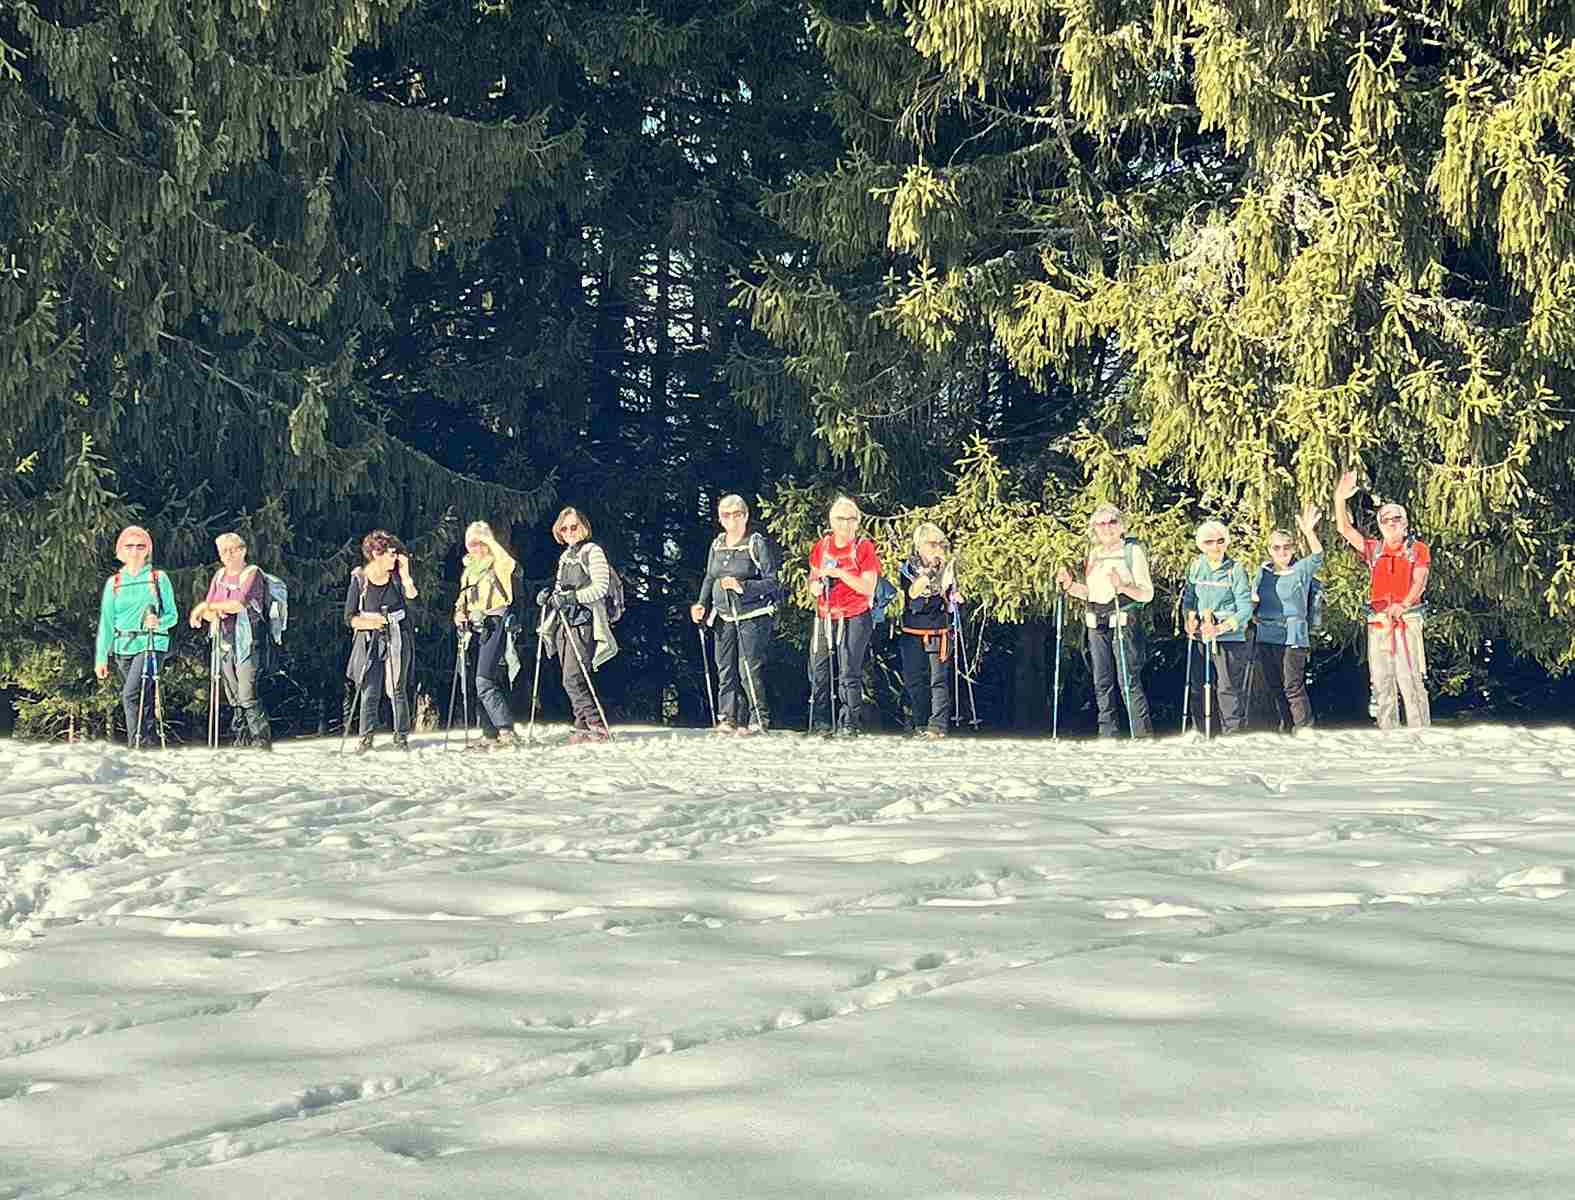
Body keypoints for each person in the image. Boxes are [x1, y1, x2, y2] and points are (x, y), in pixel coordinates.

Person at [1334, 470, 1431, 729]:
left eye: (1396, 518)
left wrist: (1404, 604)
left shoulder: (1417, 549)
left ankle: (1419, 733)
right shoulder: (1374, 549)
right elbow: (1344, 529)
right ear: (1379, 525)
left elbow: (1420, 580)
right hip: (1378, 621)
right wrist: (1340, 498)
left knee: (1410, 679)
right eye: (1385, 519)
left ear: (1405, 523)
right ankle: (1388, 733)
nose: (1391, 523)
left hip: (1406, 619)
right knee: (1381, 681)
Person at [1055, 505, 1153, 737]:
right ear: (1095, 529)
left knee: (1127, 679)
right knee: (1101, 680)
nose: (1107, 527)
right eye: (1101, 524)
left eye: (1112, 522)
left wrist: (1123, 587)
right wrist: (1069, 586)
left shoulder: (1132, 551)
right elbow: (1091, 593)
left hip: (1123, 618)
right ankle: (1108, 732)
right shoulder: (1094, 553)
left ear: (1121, 526)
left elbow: (1147, 594)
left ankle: (1141, 734)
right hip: (1096, 621)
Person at [691, 495, 777, 735]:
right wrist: (701, 604)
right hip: (722, 614)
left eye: (737, 514)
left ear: (745, 516)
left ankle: (758, 719)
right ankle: (727, 718)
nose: (731, 519)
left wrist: (742, 586)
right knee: (725, 667)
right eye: (726, 515)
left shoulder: (755, 543)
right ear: (720, 519)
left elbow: (772, 582)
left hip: (752, 614)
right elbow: (710, 577)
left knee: (748, 668)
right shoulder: (718, 544)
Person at [94, 525, 179, 749]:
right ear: (121, 550)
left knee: (130, 695)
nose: (134, 551)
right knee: (144, 697)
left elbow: (173, 615)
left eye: (140, 546)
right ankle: (149, 744)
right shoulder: (114, 582)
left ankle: (136, 745)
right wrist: (101, 657)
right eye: (129, 546)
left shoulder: (158, 578)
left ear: (147, 549)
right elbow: (107, 621)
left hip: (151, 643)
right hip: (123, 647)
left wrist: (158, 622)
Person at [540, 506, 619, 743]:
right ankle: (582, 725)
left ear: (583, 527)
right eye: (564, 529)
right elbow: (559, 588)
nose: (569, 532)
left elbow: (600, 588)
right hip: (565, 621)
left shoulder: (592, 552)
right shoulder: (565, 557)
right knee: (573, 677)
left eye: (573, 527)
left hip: (585, 620)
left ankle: (597, 724)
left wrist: (573, 597)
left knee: (573, 677)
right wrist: (550, 597)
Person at [189, 532, 275, 750]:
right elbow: (210, 608)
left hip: (248, 639)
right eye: (223, 551)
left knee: (246, 691)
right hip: (224, 639)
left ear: (243, 550)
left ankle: (260, 740)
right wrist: (208, 612)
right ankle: (241, 738)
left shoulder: (252, 573)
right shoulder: (219, 576)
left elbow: (238, 603)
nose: (227, 555)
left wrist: (206, 607)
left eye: (232, 550)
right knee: (233, 692)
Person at [807, 496, 881, 737]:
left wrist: (840, 573)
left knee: (849, 669)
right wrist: (815, 586)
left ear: (857, 522)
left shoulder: (863, 547)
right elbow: (813, 577)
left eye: (851, 519)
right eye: (840, 519)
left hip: (855, 614)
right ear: (832, 521)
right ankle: (821, 722)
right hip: (826, 614)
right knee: (819, 668)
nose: (845, 524)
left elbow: (868, 586)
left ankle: (849, 721)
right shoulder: (822, 546)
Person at [1252, 505, 1325, 732]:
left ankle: (1304, 729)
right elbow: (1254, 598)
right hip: (1266, 635)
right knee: (1275, 686)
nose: (1282, 551)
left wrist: (1309, 532)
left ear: (1293, 548)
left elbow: (1318, 556)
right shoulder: (1263, 572)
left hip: (1293, 636)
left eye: (1286, 547)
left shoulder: (1300, 570)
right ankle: (1286, 727)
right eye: (1276, 547)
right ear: (1269, 549)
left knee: (1292, 686)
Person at [344, 530, 419, 752]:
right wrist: (371, 622)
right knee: (370, 689)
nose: (394, 558)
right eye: (390, 554)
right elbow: (350, 617)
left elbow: (413, 601)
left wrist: (406, 575)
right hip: (369, 638)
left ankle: (401, 737)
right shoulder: (360, 579)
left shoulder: (396, 578)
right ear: (376, 554)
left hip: (397, 635)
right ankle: (366, 738)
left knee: (397, 688)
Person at [1182, 520, 1256, 735]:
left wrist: (1221, 628)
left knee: (1227, 689)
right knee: (1198, 686)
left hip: (1228, 638)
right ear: (1201, 545)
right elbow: (1190, 599)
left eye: (1220, 541)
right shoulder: (1196, 567)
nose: (1215, 546)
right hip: (1201, 635)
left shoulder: (1235, 570)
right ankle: (1202, 732)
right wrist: (1189, 619)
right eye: (1209, 542)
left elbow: (1245, 608)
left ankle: (1232, 734)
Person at [454, 520, 521, 749]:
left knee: (483, 680)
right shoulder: (468, 571)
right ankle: (488, 732)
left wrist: (489, 540)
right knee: (478, 679)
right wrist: (459, 613)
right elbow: (462, 599)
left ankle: (506, 729)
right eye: (472, 544)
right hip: (474, 628)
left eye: (481, 543)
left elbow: (510, 563)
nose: (477, 548)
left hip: (495, 622)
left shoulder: (498, 564)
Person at [897, 522, 960, 739]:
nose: (938, 549)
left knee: (938, 679)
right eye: (932, 544)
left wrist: (955, 596)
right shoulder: (908, 568)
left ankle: (938, 725)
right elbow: (913, 593)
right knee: (914, 679)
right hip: (912, 629)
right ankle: (920, 722)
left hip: (938, 629)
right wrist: (929, 573)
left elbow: (951, 594)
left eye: (941, 544)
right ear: (920, 546)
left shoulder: (948, 568)